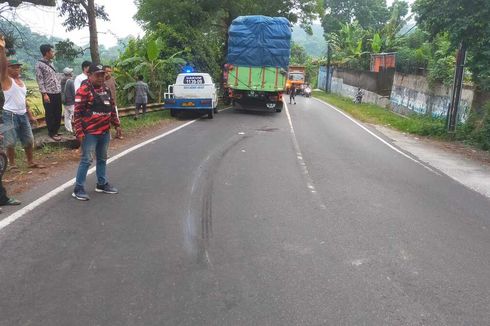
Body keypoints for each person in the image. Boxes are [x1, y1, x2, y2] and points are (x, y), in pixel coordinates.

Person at [72, 63, 122, 201]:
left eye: (102, 75)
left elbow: (111, 108)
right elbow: (77, 114)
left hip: (105, 131)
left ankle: (102, 183)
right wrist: (79, 133)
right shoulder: (84, 90)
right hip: (90, 132)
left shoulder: (105, 88)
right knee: (86, 159)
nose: (101, 77)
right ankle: (78, 188)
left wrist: (117, 124)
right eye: (98, 75)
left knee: (102, 158)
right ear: (89, 75)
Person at [0, 36, 45, 170]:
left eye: (18, 67)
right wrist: (2, 50)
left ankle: (30, 162)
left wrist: (30, 115)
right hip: (10, 115)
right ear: (8, 69)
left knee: (29, 139)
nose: (16, 69)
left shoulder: (22, 83)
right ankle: (12, 164)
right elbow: (2, 66)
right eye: (13, 67)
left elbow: (23, 100)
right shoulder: (6, 80)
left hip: (23, 114)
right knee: (10, 142)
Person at [35, 44, 62, 141]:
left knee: (58, 112)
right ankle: (52, 132)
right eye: (52, 51)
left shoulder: (51, 63)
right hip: (48, 93)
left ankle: (56, 130)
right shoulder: (39, 64)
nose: (53, 53)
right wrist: (44, 94)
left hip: (57, 92)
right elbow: (40, 80)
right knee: (50, 113)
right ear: (47, 53)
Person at [104, 65, 122, 139]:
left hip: (114, 103)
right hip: (105, 104)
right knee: (106, 120)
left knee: (116, 120)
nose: (108, 73)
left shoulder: (113, 79)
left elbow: (116, 87)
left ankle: (119, 134)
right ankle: (108, 136)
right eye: (107, 71)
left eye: (110, 71)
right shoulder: (101, 81)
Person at [62, 67, 75, 133]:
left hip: (64, 101)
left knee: (66, 115)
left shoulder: (62, 80)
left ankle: (67, 128)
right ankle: (70, 129)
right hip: (70, 102)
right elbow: (73, 92)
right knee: (70, 116)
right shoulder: (70, 81)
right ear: (69, 73)